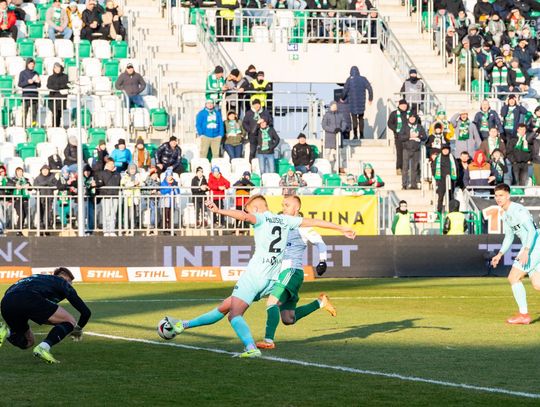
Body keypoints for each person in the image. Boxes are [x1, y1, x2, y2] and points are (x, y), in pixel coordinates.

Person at [163, 195, 355, 358]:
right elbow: (314, 222)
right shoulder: (285, 220)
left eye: (249, 210)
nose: (248, 214)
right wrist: (341, 228)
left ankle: (251, 347)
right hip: (271, 279)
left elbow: (242, 216)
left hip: (255, 275)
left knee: (234, 315)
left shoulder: (262, 219)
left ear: (255, 209)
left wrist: (219, 210)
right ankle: (182, 325)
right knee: (226, 306)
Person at [256, 196, 336, 349]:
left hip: (291, 271)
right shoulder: (282, 223)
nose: (283, 208)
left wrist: (322, 261)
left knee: (272, 302)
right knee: (288, 319)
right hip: (281, 273)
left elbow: (320, 242)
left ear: (296, 208)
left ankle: (268, 341)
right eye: (283, 205)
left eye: (287, 205)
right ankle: (320, 302)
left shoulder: (303, 226)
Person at [0, 268, 91, 364]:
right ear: (66, 279)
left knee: (28, 342)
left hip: (6, 302)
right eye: (70, 282)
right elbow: (86, 312)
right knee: (69, 321)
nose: (70, 285)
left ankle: (6, 331)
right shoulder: (62, 283)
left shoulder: (36, 278)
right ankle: (43, 348)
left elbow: (13, 297)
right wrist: (78, 328)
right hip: (30, 298)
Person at [490, 183, 540, 325]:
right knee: (537, 284)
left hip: (534, 245)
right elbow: (509, 236)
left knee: (513, 277)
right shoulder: (506, 214)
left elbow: (531, 231)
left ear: (508, 196)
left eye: (501, 195)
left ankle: (524, 315)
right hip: (533, 245)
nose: (498, 198)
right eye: (496, 196)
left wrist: (526, 251)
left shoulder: (517, 210)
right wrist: (500, 254)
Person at [341, 66, 373, 139]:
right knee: (361, 118)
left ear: (350, 72)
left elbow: (345, 90)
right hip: (361, 103)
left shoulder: (349, 80)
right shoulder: (363, 79)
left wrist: (342, 98)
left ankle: (355, 136)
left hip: (352, 104)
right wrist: (370, 98)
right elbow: (370, 88)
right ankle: (362, 135)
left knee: (354, 119)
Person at [399, 114, 426, 190]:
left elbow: (424, 137)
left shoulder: (419, 127)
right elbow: (400, 137)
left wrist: (418, 136)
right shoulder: (405, 126)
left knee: (415, 167)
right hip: (406, 149)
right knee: (405, 167)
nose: (412, 119)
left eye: (413, 117)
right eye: (411, 117)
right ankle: (404, 185)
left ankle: (413, 185)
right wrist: (409, 136)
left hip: (416, 150)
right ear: (408, 118)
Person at [95, 159, 121, 236]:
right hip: (106, 196)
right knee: (106, 214)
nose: (111, 165)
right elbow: (100, 183)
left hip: (115, 196)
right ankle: (106, 230)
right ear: (106, 165)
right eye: (110, 164)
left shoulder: (117, 174)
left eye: (112, 164)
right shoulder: (102, 173)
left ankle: (112, 230)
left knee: (113, 214)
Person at [242, 98, 273, 163]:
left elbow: (270, 122)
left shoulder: (265, 112)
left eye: (258, 104)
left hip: (263, 134)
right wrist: (250, 130)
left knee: (263, 150)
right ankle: (251, 163)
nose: (257, 106)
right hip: (252, 135)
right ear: (252, 105)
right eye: (255, 104)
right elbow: (244, 123)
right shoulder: (249, 113)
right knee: (252, 151)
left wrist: (265, 121)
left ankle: (263, 163)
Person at [321, 100, 347, 171]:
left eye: (336, 106)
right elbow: (324, 125)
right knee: (327, 153)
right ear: (330, 106)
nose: (335, 107)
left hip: (338, 137)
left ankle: (336, 168)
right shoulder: (327, 115)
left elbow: (344, 123)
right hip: (329, 137)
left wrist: (341, 129)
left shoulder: (340, 114)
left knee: (338, 153)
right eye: (333, 106)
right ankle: (326, 168)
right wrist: (333, 129)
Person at [432, 144, 457, 213]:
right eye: (444, 149)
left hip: (451, 180)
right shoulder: (438, 158)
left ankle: (451, 212)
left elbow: (456, 168)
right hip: (441, 181)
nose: (445, 151)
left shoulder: (452, 158)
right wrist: (437, 179)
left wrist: (454, 180)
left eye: (447, 149)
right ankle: (439, 213)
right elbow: (433, 168)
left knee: (450, 197)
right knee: (440, 197)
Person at [387, 99, 410, 175]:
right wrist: (396, 129)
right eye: (402, 105)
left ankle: (406, 168)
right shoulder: (394, 113)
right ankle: (399, 168)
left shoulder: (410, 113)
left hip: (408, 137)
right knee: (400, 153)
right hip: (398, 137)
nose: (404, 106)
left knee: (407, 153)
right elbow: (390, 123)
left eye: (405, 105)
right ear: (399, 105)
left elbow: (416, 121)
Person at [33, 165, 58, 233]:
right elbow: (35, 186)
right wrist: (46, 183)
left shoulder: (52, 177)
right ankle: (41, 228)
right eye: (43, 170)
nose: (45, 171)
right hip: (40, 198)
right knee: (40, 212)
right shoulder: (38, 178)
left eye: (46, 170)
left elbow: (56, 185)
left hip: (49, 198)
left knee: (48, 213)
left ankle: (47, 227)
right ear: (41, 171)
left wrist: (49, 184)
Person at [18, 58, 40, 127]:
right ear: (27, 64)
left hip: (34, 96)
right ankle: (23, 127)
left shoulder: (36, 73)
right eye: (30, 64)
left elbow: (39, 86)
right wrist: (27, 82)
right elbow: (20, 84)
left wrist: (38, 82)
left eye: (33, 64)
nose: (32, 65)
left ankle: (33, 126)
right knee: (24, 113)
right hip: (26, 96)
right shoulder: (22, 73)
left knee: (34, 114)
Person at [47, 62, 69, 128]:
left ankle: (57, 127)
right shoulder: (50, 77)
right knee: (55, 114)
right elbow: (49, 86)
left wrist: (57, 87)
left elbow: (67, 85)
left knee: (59, 115)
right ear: (53, 69)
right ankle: (54, 127)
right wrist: (60, 87)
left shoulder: (65, 76)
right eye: (56, 68)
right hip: (53, 99)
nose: (57, 69)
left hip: (62, 99)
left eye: (58, 67)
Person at [12, 167, 30, 235]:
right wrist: (15, 185)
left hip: (25, 199)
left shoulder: (26, 179)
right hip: (17, 199)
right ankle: (18, 230)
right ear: (16, 173)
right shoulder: (13, 179)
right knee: (21, 214)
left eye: (21, 171)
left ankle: (20, 229)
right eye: (18, 171)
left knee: (24, 214)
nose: (19, 173)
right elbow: (9, 184)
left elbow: (30, 187)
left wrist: (28, 185)